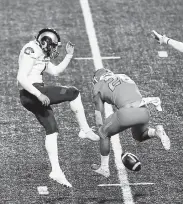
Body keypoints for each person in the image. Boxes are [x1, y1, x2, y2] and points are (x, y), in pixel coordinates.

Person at [17, 28, 99, 187]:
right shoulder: (30, 50)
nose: (54, 49)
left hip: (32, 94)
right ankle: (85, 130)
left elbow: (54, 71)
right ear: (45, 42)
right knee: (73, 93)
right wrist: (39, 94)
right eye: (53, 45)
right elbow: (21, 78)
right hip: (32, 92)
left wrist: (69, 55)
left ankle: (56, 171)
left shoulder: (40, 51)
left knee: (52, 129)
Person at [92, 68, 170, 177]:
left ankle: (104, 168)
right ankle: (156, 132)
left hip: (127, 112)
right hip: (143, 110)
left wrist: (100, 129)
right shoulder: (123, 76)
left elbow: (98, 115)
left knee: (103, 133)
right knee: (139, 136)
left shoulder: (98, 86)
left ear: (97, 79)